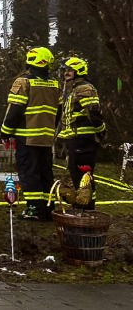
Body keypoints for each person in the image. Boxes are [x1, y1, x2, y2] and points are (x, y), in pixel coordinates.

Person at [0, 46, 60, 221]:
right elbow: (59, 112)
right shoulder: (55, 84)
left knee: (29, 172)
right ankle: (48, 208)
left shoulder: (24, 82)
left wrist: (5, 132)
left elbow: (15, 110)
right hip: (46, 137)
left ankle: (34, 208)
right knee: (45, 172)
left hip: (27, 136)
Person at [56, 57, 106, 209]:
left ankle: (87, 207)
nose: (66, 73)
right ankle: (82, 206)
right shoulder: (70, 90)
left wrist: (101, 132)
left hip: (84, 140)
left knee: (83, 176)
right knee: (75, 173)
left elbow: (94, 113)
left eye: (70, 70)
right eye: (65, 70)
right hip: (74, 139)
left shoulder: (84, 88)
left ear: (79, 71)